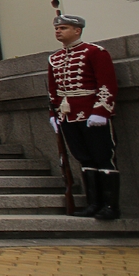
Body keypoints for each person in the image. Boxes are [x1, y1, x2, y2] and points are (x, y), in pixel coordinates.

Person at [48, 14, 120, 219]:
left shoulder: (94, 52)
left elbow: (106, 84)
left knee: (103, 157)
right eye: (57, 28)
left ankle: (111, 206)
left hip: (91, 113)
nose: (58, 31)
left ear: (77, 30)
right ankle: (94, 203)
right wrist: (54, 114)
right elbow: (54, 90)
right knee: (84, 158)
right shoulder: (55, 58)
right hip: (67, 115)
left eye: (64, 28)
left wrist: (101, 111)